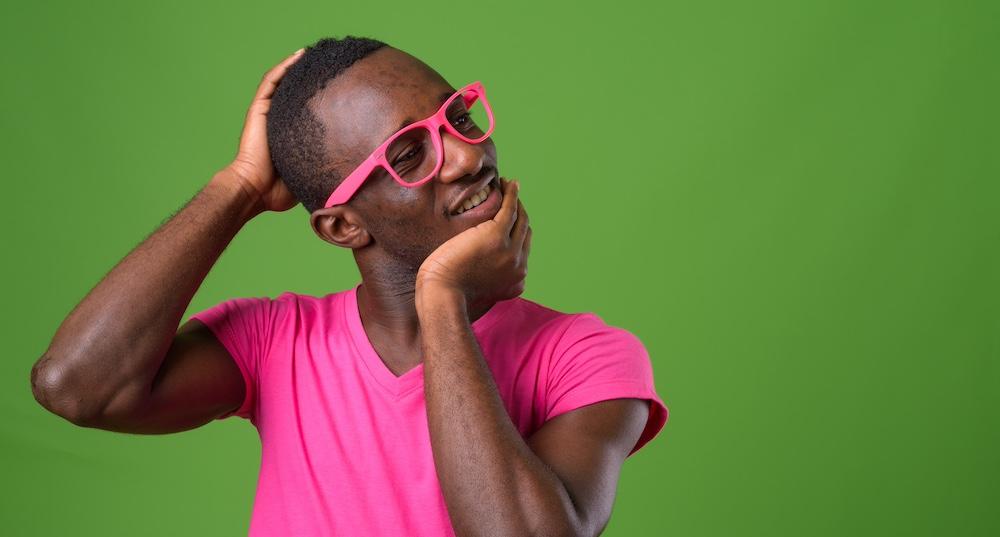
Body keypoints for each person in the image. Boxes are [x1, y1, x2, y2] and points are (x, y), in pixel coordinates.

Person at [30, 35, 669, 536]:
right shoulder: (277, 343)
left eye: (460, 117)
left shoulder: (585, 356)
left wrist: (440, 299)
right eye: (411, 154)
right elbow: (77, 388)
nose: (471, 156)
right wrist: (241, 187)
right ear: (341, 227)